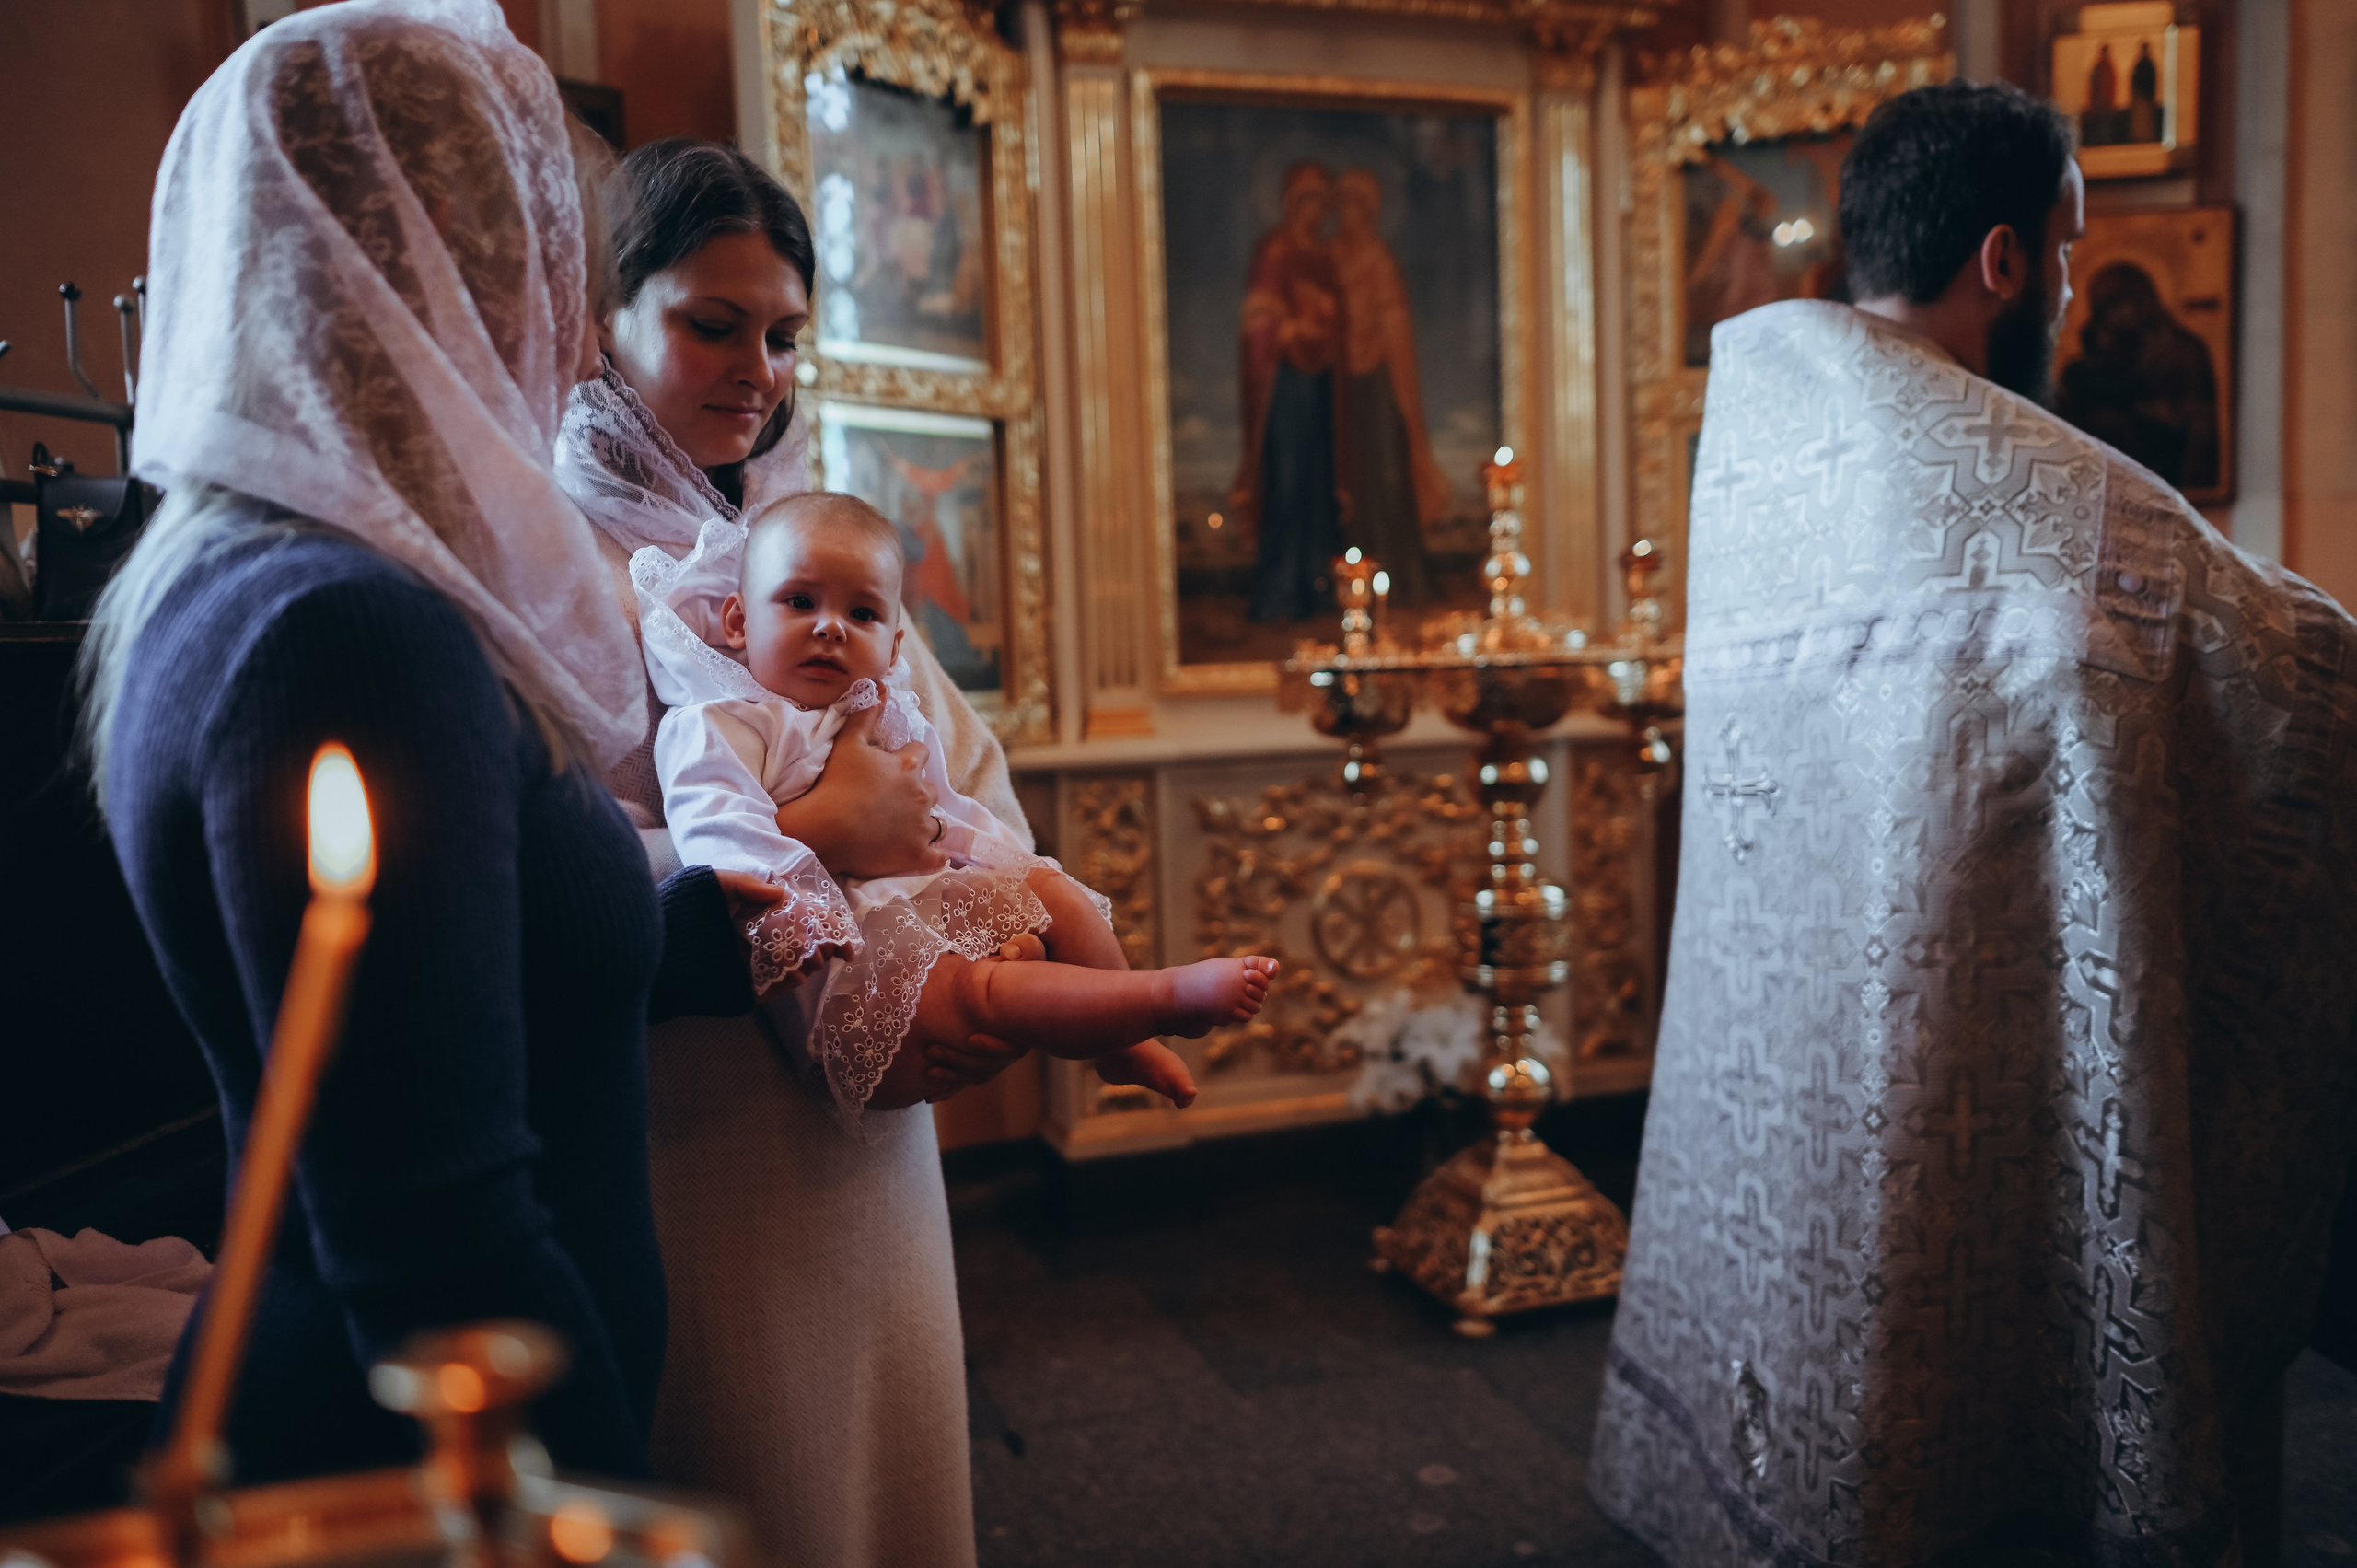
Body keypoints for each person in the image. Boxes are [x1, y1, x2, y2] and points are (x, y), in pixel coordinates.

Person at [1589, 80, 2357, 1568]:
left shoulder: (1771, 436)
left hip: (1809, 994)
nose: (2070, 284)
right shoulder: (2029, 480)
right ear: (2006, 261)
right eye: (2066, 247)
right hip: (1936, 982)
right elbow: (2291, 665)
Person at [81, 0, 771, 1482]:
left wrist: (728, 926)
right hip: (419, 1461)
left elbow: (449, 982)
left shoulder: (247, 576)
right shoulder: (350, 633)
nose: (559, 328)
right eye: (534, 261)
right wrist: (609, 1516)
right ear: (440, 272)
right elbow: (435, 1233)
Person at [552, 137, 1024, 1568]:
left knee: (883, 1478)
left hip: (867, 1120)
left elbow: (967, 766)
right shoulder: (546, 551)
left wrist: (975, 939)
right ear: (603, 313)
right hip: (693, 1117)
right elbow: (538, 864)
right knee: (760, 1478)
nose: (757, 367)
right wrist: (817, 829)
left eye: (783, 334)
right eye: (712, 322)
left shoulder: (805, 544)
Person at [638, 493, 1273, 1119]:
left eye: (861, 613)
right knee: (984, 990)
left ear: (892, 648)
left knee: (1057, 893)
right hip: (848, 974)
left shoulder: (883, 716)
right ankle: (1161, 998)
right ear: (738, 621)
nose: (830, 626)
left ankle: (1125, 1040)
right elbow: (720, 824)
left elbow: (950, 812)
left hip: (923, 910)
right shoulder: (721, 721)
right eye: (800, 601)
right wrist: (795, 910)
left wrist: (1018, 872)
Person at [1232, 161, 1346, 624]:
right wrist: (1294, 326)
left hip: (1321, 388)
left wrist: (1328, 323)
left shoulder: (1324, 258)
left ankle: (1318, 586)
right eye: (1308, 201)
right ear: (1292, 204)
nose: (1315, 212)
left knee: (1320, 488)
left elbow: (1340, 323)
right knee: (1289, 485)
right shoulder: (1275, 252)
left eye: (1323, 202)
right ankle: (1281, 591)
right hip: (1286, 391)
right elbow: (1258, 320)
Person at [1329, 168, 1448, 607]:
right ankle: (1349, 581)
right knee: (1348, 478)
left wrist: (1374, 334)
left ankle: (1399, 574)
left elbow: (1395, 319)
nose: (1351, 215)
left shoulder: (1379, 258)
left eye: (1359, 207)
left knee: (1386, 472)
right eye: (1344, 205)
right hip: (1339, 383)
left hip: (1377, 378)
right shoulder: (1328, 257)